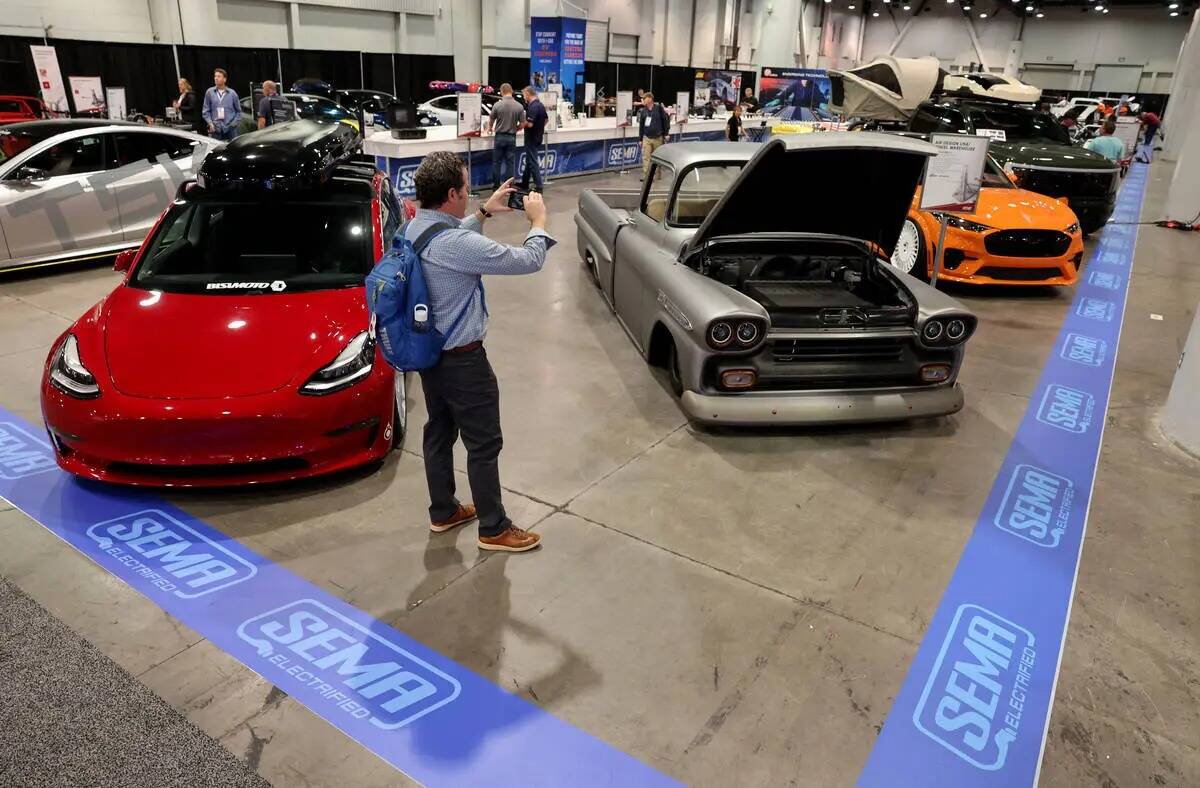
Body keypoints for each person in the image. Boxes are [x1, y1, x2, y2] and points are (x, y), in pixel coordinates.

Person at [403, 151, 552, 553]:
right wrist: (537, 221)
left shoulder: (413, 228)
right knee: (483, 444)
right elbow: (528, 260)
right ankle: (493, 527)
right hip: (464, 361)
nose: (470, 195)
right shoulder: (458, 243)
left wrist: (484, 212)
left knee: (439, 431)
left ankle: (443, 510)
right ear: (451, 193)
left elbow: (444, 241)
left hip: (429, 356)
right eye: (467, 190)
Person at [488, 83, 525, 190]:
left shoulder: (497, 105)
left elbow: (491, 119)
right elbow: (522, 124)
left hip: (499, 137)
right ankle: (509, 186)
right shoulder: (519, 106)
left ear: (502, 91)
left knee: (496, 162)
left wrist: (490, 128)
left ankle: (496, 186)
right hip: (511, 137)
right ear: (511, 91)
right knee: (510, 163)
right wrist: (515, 128)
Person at [636, 92, 670, 179]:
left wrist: (666, 133)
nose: (643, 100)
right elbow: (641, 126)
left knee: (657, 158)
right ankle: (646, 177)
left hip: (658, 138)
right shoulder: (643, 111)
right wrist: (640, 139)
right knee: (646, 158)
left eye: (645, 98)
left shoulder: (659, 108)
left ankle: (657, 175)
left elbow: (665, 121)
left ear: (650, 98)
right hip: (646, 137)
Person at [519, 86, 547, 192]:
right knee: (529, 161)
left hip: (531, 137)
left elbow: (530, 124)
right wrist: (539, 128)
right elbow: (546, 120)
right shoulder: (540, 105)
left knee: (533, 161)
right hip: (538, 136)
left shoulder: (533, 106)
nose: (523, 97)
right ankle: (524, 183)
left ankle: (539, 186)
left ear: (527, 93)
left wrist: (521, 123)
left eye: (524, 95)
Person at [202, 68, 240, 141]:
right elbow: (205, 111)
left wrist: (234, 124)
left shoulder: (232, 93)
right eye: (215, 76)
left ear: (224, 79)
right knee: (216, 150)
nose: (216, 78)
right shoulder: (209, 92)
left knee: (233, 149)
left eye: (219, 76)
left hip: (230, 128)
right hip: (215, 128)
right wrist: (210, 123)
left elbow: (238, 111)